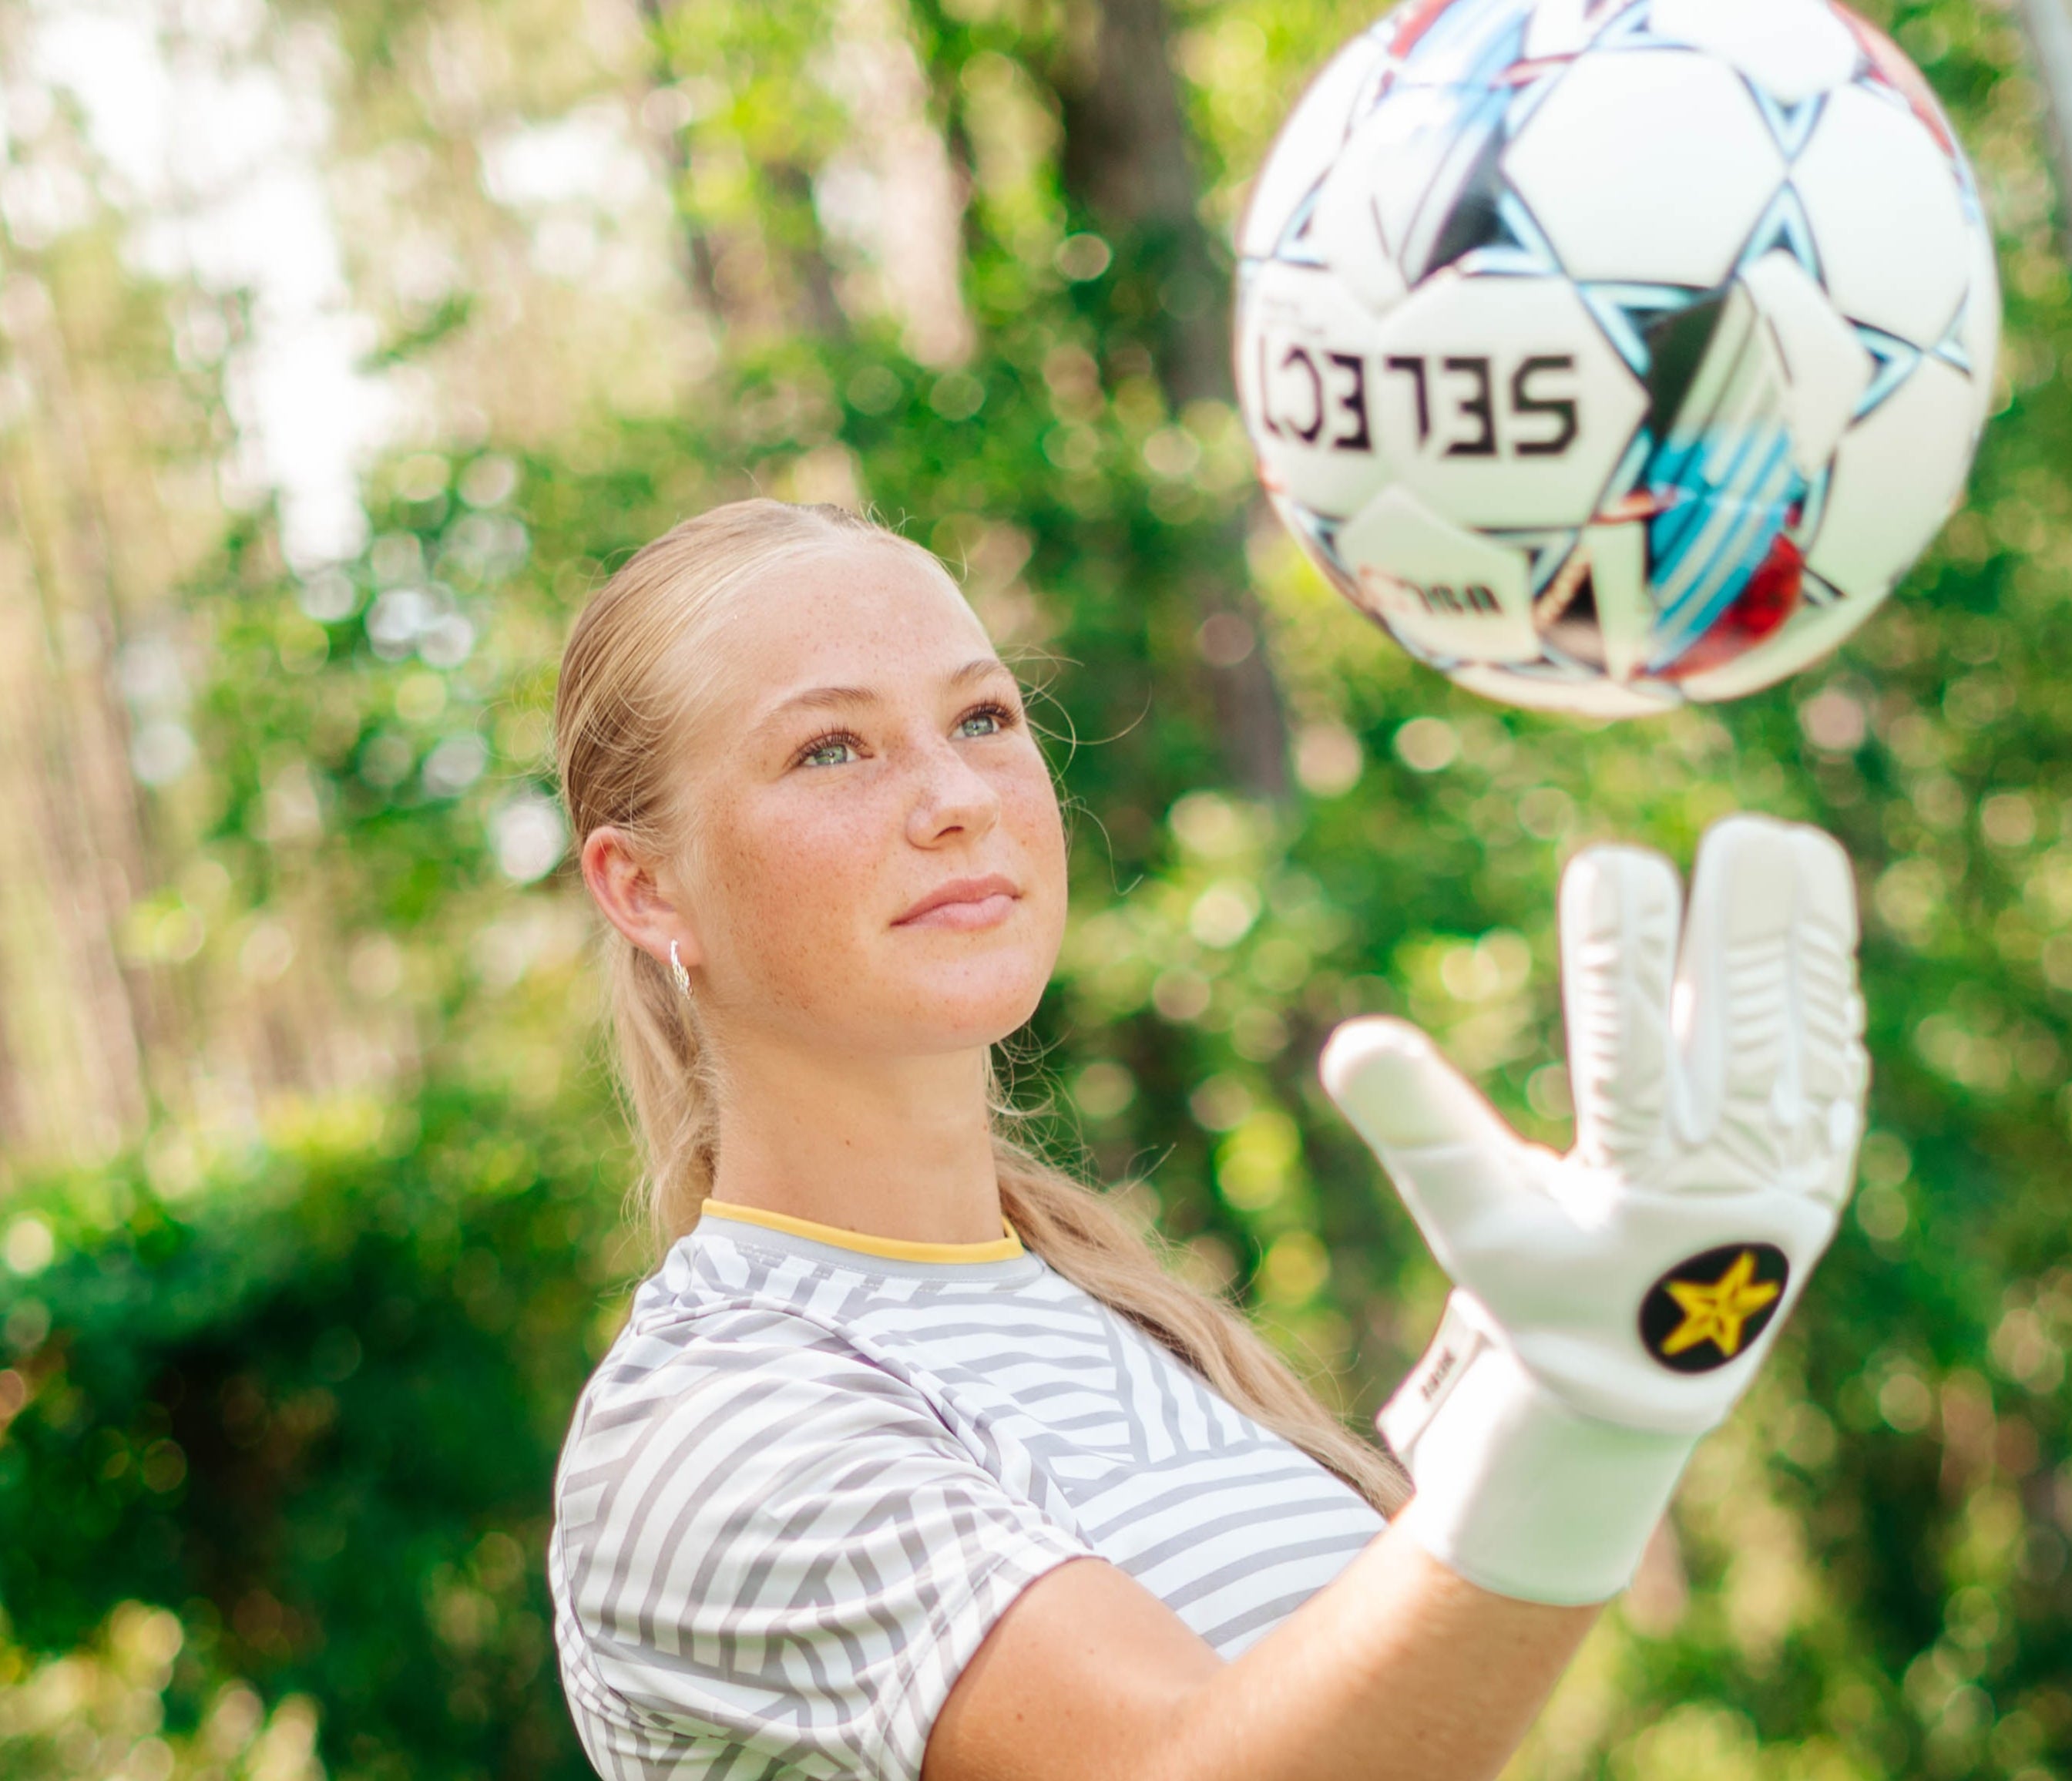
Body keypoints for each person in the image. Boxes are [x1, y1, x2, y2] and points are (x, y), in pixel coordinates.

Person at [546, 498, 1869, 1781]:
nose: (958, 796)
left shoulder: (1119, 1319)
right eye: (832, 749)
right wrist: (1579, 1419)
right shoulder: (713, 1426)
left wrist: (1577, 1345)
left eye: (985, 717)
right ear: (644, 884)